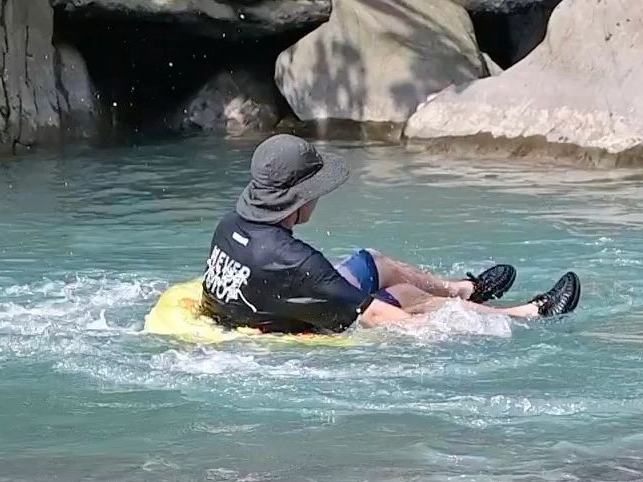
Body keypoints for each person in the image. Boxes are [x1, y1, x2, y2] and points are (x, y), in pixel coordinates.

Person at [200, 134, 581, 335]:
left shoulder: (229, 224)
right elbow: (376, 316)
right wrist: (446, 327)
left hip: (265, 300)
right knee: (404, 297)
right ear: (298, 197)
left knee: (371, 261)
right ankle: (526, 314)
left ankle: (463, 289)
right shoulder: (296, 261)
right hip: (282, 326)